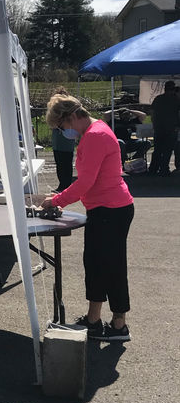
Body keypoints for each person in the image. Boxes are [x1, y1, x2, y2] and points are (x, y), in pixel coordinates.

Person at [40, 93, 134, 342]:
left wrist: (56, 200)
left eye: (61, 127)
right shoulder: (95, 131)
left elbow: (85, 183)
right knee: (96, 263)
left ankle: (118, 324)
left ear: (71, 117)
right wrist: (60, 196)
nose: (62, 132)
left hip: (110, 210)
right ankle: (94, 321)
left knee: (109, 265)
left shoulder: (94, 136)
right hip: (107, 208)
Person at [148, 81, 180, 176]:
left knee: (157, 149)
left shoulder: (158, 98)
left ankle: (153, 168)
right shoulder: (176, 100)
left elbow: (152, 112)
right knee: (167, 150)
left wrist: (154, 124)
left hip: (159, 128)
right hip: (171, 128)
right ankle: (164, 169)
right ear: (173, 89)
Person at [51, 125, 76, 192]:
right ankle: (62, 185)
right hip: (57, 143)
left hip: (67, 144)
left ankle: (66, 186)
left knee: (66, 165)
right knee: (59, 165)